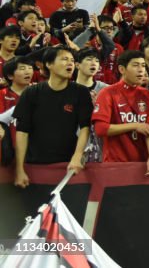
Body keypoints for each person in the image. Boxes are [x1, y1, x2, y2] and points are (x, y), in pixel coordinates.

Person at [12, 46, 92, 187]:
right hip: (35, 167)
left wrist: (77, 156)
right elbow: (22, 132)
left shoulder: (81, 92)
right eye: (64, 59)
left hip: (67, 167)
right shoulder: (31, 93)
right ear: (49, 64)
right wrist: (19, 169)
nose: (70, 64)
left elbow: (85, 127)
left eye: (72, 60)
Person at [91, 50, 149, 175]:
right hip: (116, 165)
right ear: (122, 69)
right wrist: (135, 125)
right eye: (135, 65)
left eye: (143, 65)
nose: (141, 70)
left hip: (143, 166)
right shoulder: (107, 93)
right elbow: (100, 129)